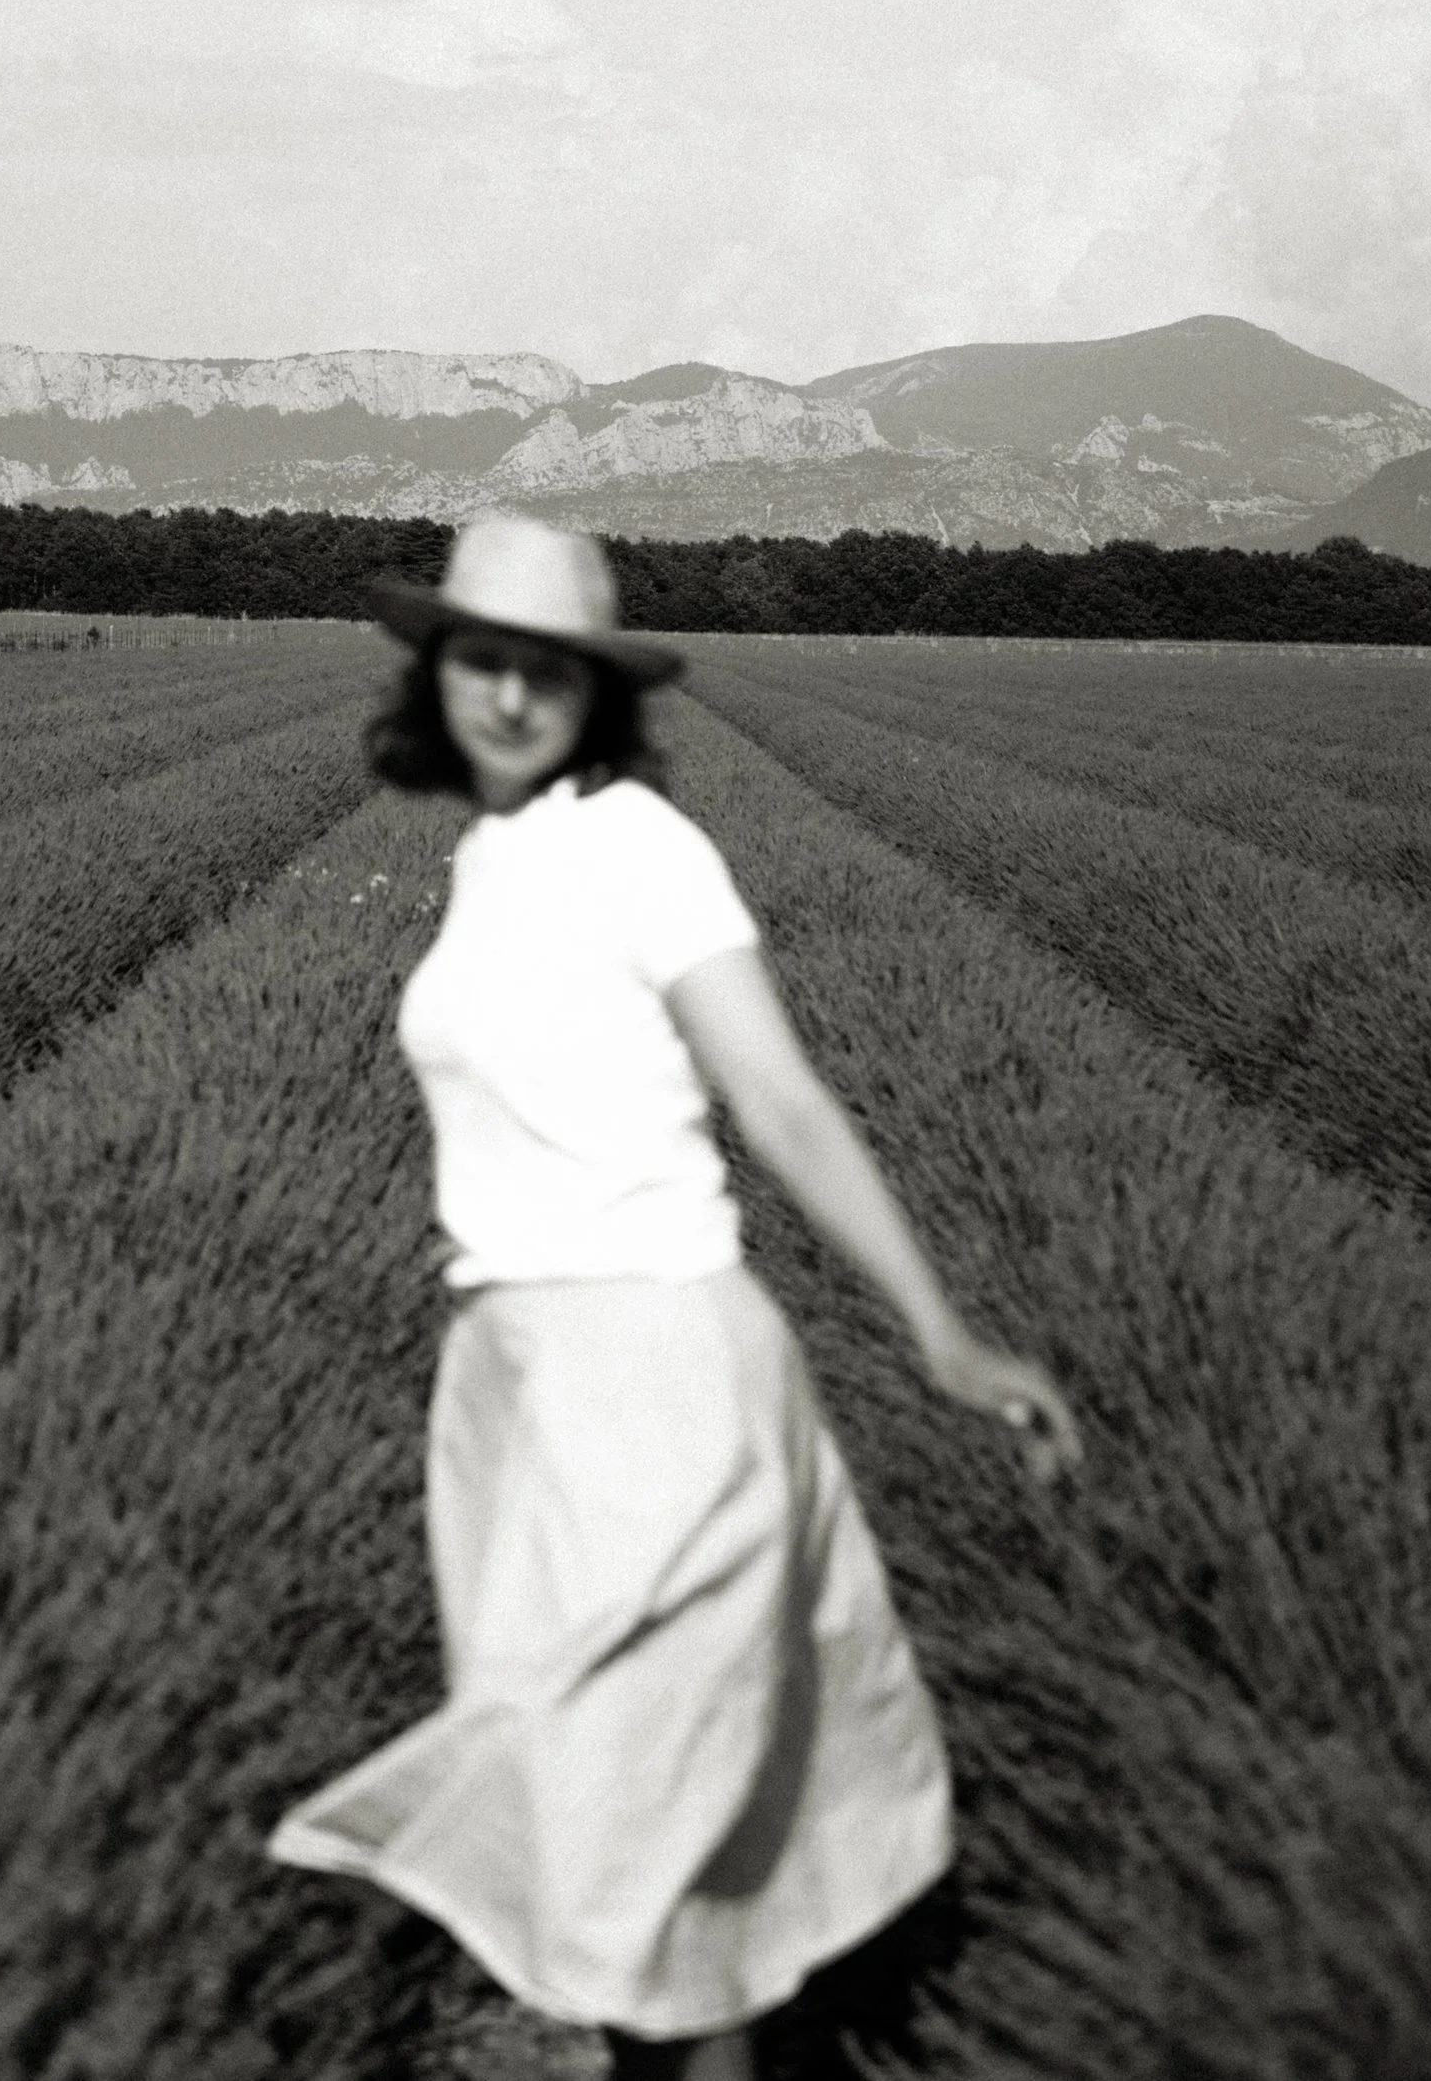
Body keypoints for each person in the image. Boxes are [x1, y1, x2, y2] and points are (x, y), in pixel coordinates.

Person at [269, 508, 1081, 2078]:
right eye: (481, 663)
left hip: (656, 1373)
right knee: (611, 1823)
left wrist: (942, 1337)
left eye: (548, 674)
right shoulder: (490, 854)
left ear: (600, 693)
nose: (510, 699)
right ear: (436, 671)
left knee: (655, 1826)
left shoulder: (640, 844)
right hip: (521, 1385)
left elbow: (778, 1102)